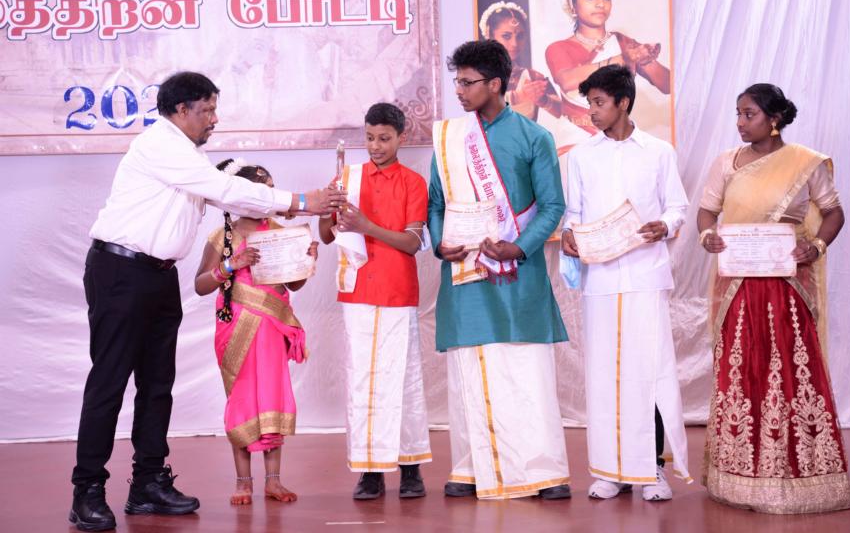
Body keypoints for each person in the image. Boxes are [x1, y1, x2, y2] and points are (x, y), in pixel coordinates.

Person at [70, 71, 345, 532]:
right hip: (120, 271)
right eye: (208, 110)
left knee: (158, 385)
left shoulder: (190, 157)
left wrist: (298, 213)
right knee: (109, 382)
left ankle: (147, 483)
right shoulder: (160, 145)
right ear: (181, 110)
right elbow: (228, 190)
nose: (214, 119)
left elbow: (234, 195)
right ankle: (87, 491)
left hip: (159, 276)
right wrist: (300, 200)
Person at [697, 83, 850, 514]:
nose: (740, 122)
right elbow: (707, 211)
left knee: (788, 372)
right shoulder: (726, 163)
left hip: (786, 286)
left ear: (775, 119)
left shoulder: (805, 162)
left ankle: (800, 474)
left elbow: (834, 212)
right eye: (738, 113)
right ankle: (737, 478)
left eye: (749, 114)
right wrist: (708, 235)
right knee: (741, 370)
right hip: (738, 287)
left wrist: (816, 246)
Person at [428, 40, 571, 500]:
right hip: (465, 274)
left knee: (524, 368)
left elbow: (552, 206)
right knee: (469, 371)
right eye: (457, 81)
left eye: (467, 82)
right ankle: (470, 467)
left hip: (517, 272)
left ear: (495, 84)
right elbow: (436, 203)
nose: (459, 90)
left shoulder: (534, 137)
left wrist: (519, 246)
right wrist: (441, 243)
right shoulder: (449, 139)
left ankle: (544, 471)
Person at [561, 64, 691, 501]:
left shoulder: (658, 152)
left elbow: (677, 207)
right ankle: (610, 470)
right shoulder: (582, 157)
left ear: (624, 102)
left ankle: (652, 470)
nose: (592, 112)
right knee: (604, 375)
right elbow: (573, 214)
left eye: (599, 103)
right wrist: (568, 234)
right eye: (589, 103)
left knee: (648, 372)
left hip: (645, 277)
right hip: (600, 280)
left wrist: (664, 226)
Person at [318, 103, 432, 500]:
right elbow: (327, 235)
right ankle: (369, 471)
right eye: (369, 138)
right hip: (357, 291)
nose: (375, 146)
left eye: (384, 138)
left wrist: (367, 226)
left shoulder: (414, 183)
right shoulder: (348, 177)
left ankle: (411, 467)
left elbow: (412, 242)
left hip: (397, 290)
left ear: (402, 137)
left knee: (403, 377)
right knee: (361, 379)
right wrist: (330, 208)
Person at [194, 159, 318, 505]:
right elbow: (201, 285)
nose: (268, 197)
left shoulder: (280, 231)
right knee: (243, 399)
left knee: (272, 397)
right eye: (260, 191)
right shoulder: (224, 237)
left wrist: (306, 260)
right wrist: (231, 265)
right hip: (237, 328)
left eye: (271, 190)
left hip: (271, 329)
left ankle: (274, 482)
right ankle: (243, 482)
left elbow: (293, 284)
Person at [545, 0, 670, 134]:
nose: (600, 4)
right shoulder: (558, 48)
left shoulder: (622, 43)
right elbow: (567, 81)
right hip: (575, 138)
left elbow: (668, 85)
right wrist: (622, 60)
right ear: (572, 4)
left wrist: (646, 59)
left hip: (616, 136)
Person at [479, 1, 562, 123]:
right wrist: (518, 96)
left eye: (520, 36)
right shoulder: (478, 76)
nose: (515, 43)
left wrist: (543, 100)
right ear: (490, 37)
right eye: (506, 36)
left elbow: (561, 111)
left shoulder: (532, 77)